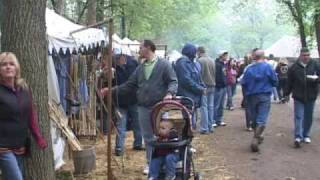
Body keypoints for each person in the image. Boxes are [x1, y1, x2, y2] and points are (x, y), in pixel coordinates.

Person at [101, 40, 178, 175]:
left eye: (141, 48)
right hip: (143, 107)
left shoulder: (164, 64)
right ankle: (151, 163)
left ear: (148, 48)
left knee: (163, 135)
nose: (139, 50)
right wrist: (110, 90)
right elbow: (128, 85)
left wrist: (170, 94)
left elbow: (173, 81)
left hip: (160, 106)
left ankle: (167, 163)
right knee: (148, 137)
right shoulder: (140, 68)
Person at [0, 52, 47, 180]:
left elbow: (31, 116)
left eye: (11, 64)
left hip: (20, 145)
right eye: (4, 64)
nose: (8, 67)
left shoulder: (25, 90)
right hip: (3, 147)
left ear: (17, 68)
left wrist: (38, 138)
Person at [241, 49, 278, 152]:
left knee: (254, 117)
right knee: (261, 118)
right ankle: (257, 138)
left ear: (254, 57)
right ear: (263, 56)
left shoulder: (249, 69)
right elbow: (275, 81)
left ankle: (257, 136)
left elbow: (243, 83)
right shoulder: (268, 67)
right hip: (264, 95)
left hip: (252, 96)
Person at [284, 47, 320, 148]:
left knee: (308, 116)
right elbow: (289, 82)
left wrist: (316, 79)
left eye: (308, 55)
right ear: (300, 55)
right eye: (304, 55)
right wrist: (286, 93)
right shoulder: (294, 67)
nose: (306, 57)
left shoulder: (315, 64)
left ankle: (306, 134)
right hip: (298, 95)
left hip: (311, 95)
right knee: (298, 116)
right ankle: (298, 137)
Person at [113, 54, 142, 156]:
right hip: (120, 102)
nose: (119, 61)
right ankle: (119, 147)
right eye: (117, 59)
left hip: (134, 99)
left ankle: (138, 143)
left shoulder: (134, 65)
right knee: (121, 125)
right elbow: (111, 85)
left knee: (137, 123)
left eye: (120, 58)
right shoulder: (114, 69)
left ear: (123, 58)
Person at [174, 43, 206, 131]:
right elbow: (186, 80)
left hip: (192, 98)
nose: (196, 53)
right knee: (187, 123)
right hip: (187, 97)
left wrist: (202, 86)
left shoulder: (191, 63)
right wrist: (200, 89)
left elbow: (197, 78)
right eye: (194, 51)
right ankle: (186, 143)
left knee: (192, 122)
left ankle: (188, 142)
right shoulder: (182, 63)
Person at [196, 46, 215, 134]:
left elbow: (198, 74)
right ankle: (211, 126)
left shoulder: (199, 61)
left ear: (199, 52)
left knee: (204, 107)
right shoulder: (212, 60)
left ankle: (204, 128)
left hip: (204, 86)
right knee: (210, 107)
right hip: (212, 85)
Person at [213, 50, 228, 127]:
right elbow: (217, 76)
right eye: (225, 55)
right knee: (216, 104)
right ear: (221, 56)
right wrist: (219, 84)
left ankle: (219, 119)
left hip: (223, 86)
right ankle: (214, 120)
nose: (226, 56)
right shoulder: (217, 64)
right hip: (218, 87)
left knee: (221, 105)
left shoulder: (223, 65)